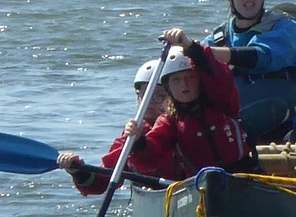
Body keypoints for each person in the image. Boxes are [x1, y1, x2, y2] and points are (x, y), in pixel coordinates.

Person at [188, 0, 296, 145]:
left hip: (288, 127)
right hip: (238, 135)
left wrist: (206, 54)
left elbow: (262, 56)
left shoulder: (285, 28)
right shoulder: (218, 39)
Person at [106, 43, 253, 182]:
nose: (184, 85)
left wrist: (192, 48)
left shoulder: (221, 103)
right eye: (176, 80)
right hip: (201, 185)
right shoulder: (169, 122)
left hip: (244, 176)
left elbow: (220, 77)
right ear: (168, 87)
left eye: (190, 77)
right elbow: (151, 158)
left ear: (200, 80)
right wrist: (138, 142)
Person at [57, 57, 171, 194]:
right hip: (153, 201)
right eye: (145, 94)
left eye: (160, 95)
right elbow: (103, 182)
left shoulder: (180, 125)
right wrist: (78, 171)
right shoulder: (133, 132)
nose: (150, 101)